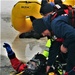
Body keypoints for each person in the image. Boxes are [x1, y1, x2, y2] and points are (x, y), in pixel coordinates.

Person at [32, 5, 75, 75]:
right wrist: (49, 64)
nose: (43, 35)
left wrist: (64, 45)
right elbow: (55, 45)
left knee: (70, 49)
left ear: (43, 28)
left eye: (42, 32)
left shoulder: (55, 25)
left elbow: (73, 34)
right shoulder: (51, 24)